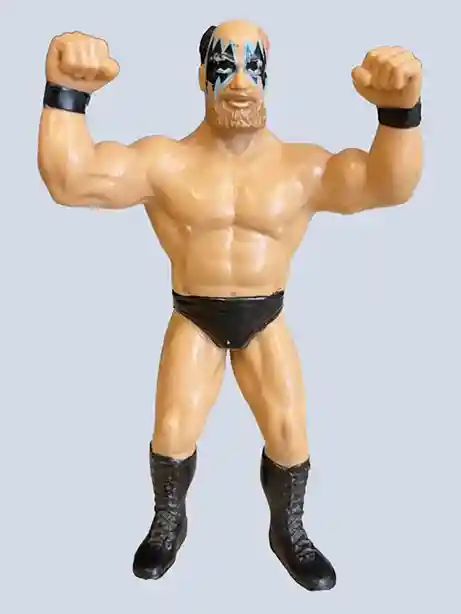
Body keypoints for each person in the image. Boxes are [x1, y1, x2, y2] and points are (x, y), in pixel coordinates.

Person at [38, 19, 423, 592]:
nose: (241, 82)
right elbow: (73, 180)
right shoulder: (166, 162)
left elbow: (386, 184)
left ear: (269, 78)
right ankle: (168, 519)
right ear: (202, 75)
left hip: (265, 316)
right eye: (225, 65)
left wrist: (400, 114)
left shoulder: (301, 167)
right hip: (195, 314)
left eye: (253, 67)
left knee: (290, 432)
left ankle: (288, 529)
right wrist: (66, 95)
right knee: (172, 430)